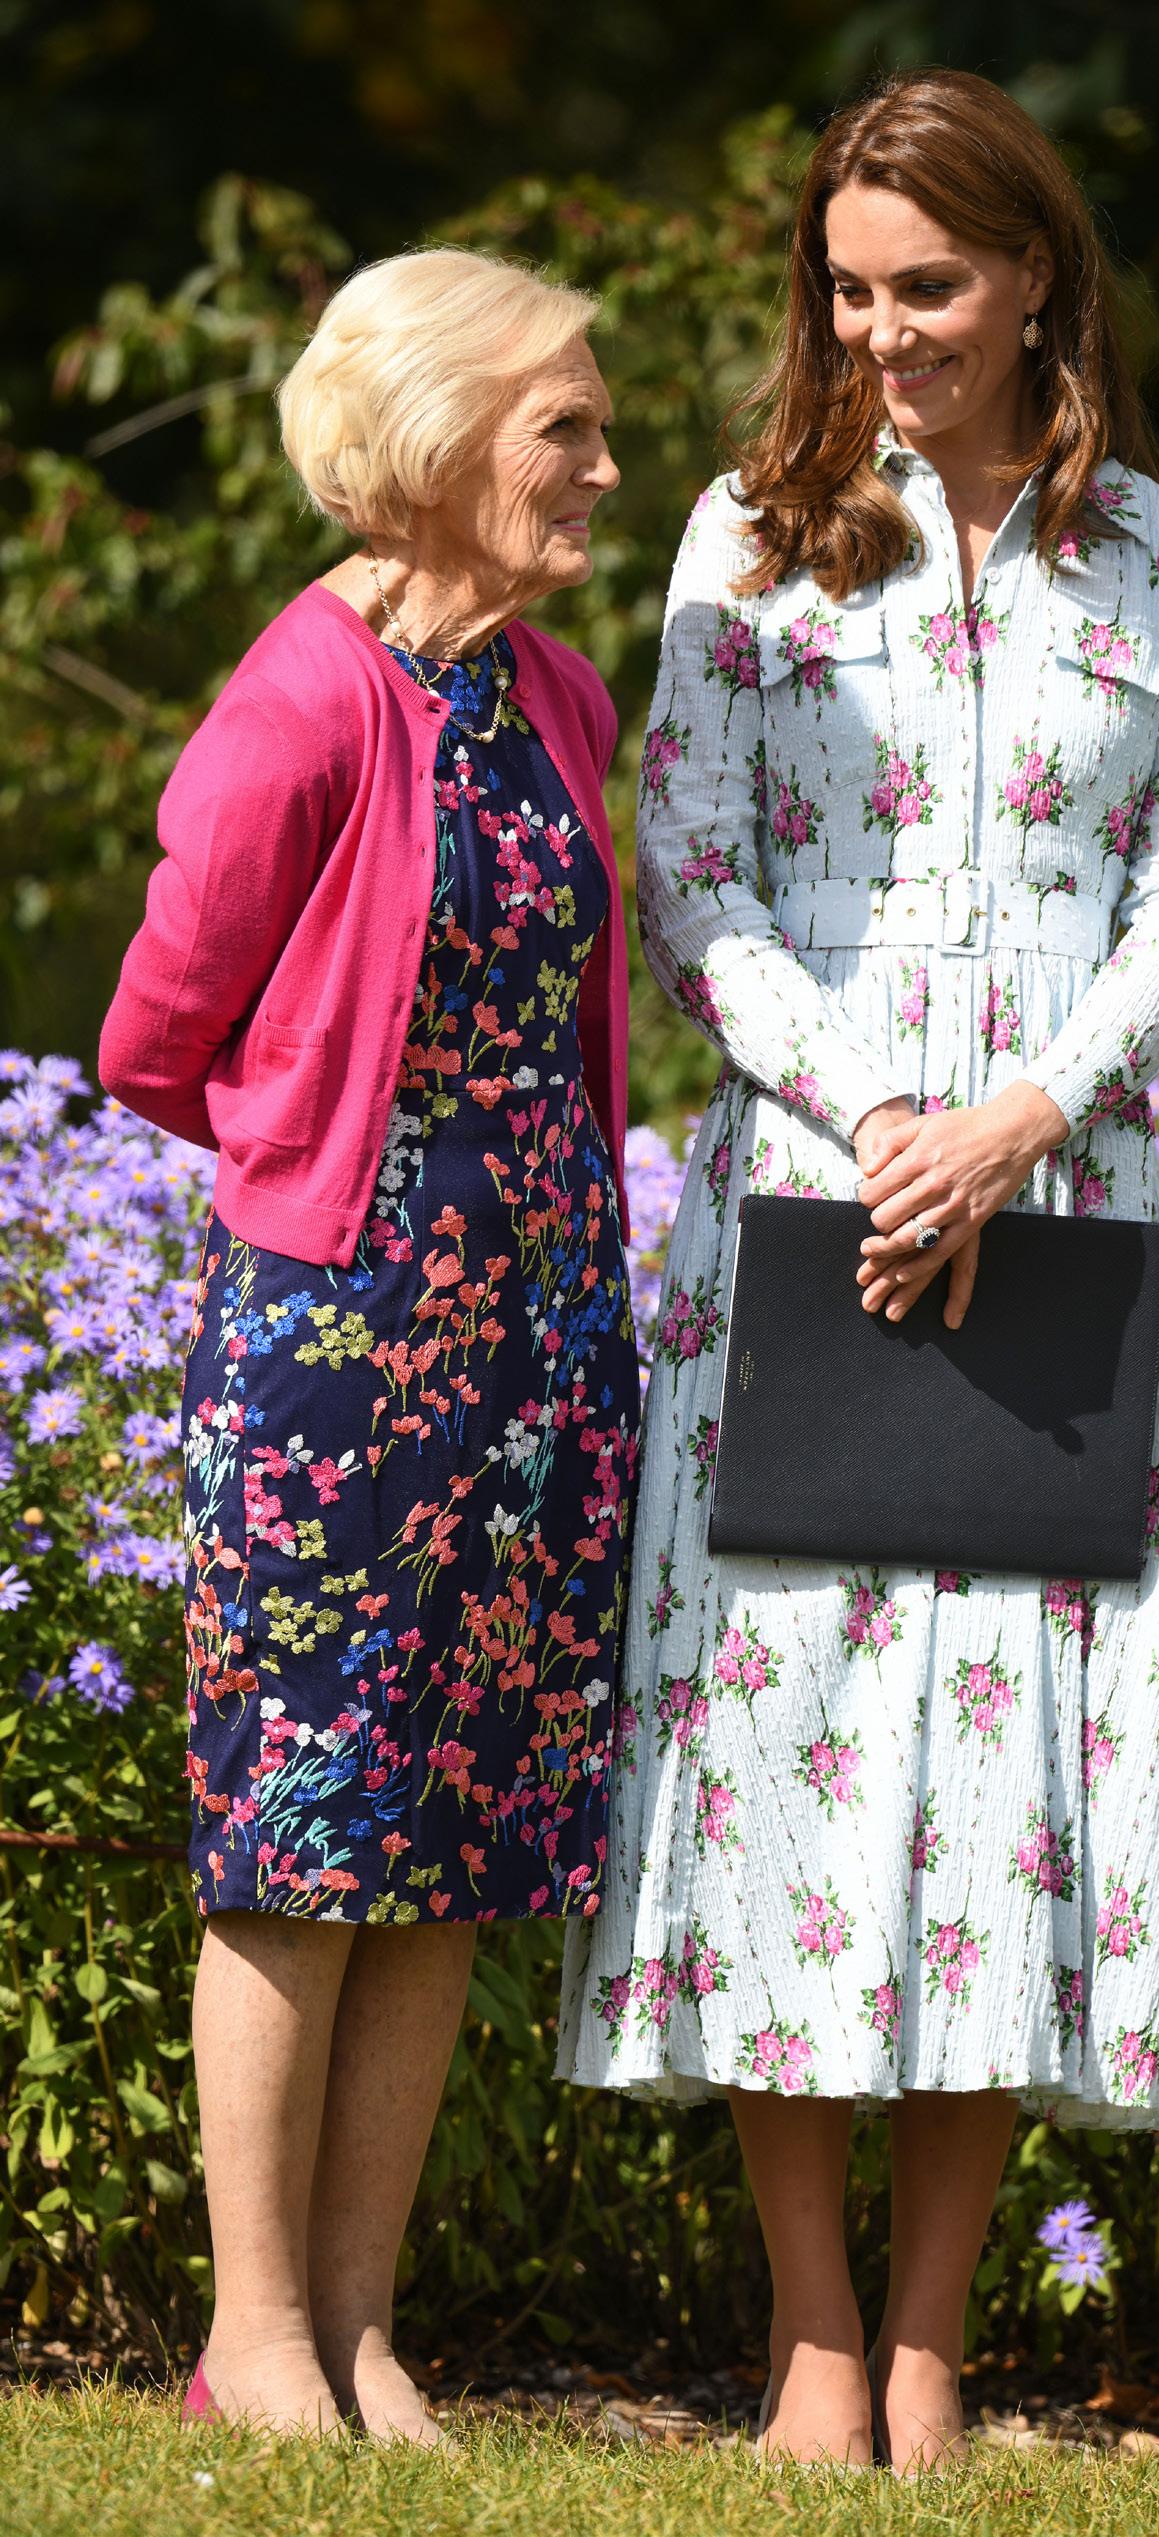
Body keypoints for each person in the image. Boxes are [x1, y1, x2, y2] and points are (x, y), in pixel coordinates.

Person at [558, 67, 1159, 2474]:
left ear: (1037, 272)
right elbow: (696, 867)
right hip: (810, 1216)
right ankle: (817, 2336)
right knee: (786, 1764)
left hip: (1055, 1210)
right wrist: (871, 1123)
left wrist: (1030, 1112)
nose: (883, 336)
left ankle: (941, 2341)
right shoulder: (752, 546)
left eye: (927, 287)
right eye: (848, 294)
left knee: (1012, 1767)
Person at [99, 245, 639, 2440]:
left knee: (465, 1833)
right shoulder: (305, 696)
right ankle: (252, 2337)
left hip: (542, 1335)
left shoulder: (563, 699)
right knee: (301, 1832)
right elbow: (156, 1024)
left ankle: (367, 2323)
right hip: (340, 1341)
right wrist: (322, 1155)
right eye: (565, 427)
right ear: (429, 447)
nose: (606, 462)